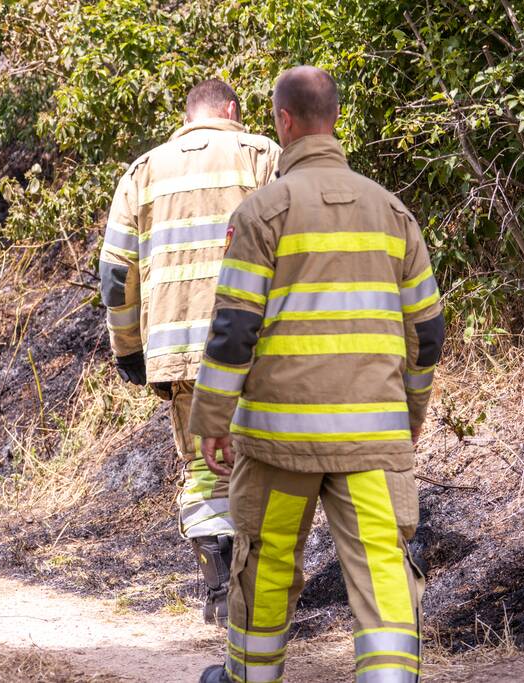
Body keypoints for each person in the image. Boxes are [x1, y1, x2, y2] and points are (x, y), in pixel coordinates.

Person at [190, 65, 445, 683]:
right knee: (383, 572)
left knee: (267, 564)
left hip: (282, 443)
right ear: (334, 119)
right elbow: (428, 332)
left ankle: (251, 678)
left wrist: (212, 420)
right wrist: (409, 416)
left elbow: (233, 332)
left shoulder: (262, 213)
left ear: (283, 122)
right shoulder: (393, 213)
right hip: (371, 441)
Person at [98, 78, 281, 627]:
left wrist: (129, 348)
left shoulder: (143, 171)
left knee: (205, 464)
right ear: (231, 110)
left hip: (178, 351)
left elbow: (114, 275)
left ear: (186, 117)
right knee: (266, 460)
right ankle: (262, 589)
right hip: (257, 342)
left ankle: (221, 592)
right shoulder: (261, 155)